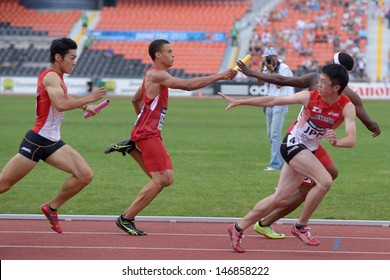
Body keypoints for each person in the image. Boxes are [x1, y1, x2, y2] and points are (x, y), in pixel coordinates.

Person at [235, 52, 380, 240]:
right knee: (319, 181)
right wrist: (374, 127)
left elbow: (284, 80)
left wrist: (255, 74)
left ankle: (268, 219)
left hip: (313, 143)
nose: (322, 80)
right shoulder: (322, 85)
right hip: (297, 140)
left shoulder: (346, 98)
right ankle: (282, 221)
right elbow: (369, 122)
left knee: (328, 176)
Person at [104, 39, 236, 236]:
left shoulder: (151, 74)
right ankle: (126, 218)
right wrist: (221, 76)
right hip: (147, 133)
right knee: (159, 180)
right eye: (169, 51)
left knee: (167, 179)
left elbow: (135, 99)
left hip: (147, 131)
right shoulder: (157, 75)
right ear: (158, 55)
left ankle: (130, 149)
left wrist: (141, 119)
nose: (173, 55)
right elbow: (189, 85)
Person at [220, 63, 356, 253]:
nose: (318, 85)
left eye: (323, 83)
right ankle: (300, 227)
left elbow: (351, 139)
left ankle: (237, 228)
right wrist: (240, 101)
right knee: (324, 181)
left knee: (279, 198)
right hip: (292, 144)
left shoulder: (346, 107)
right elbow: (274, 100)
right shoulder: (309, 98)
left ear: (336, 88)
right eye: (319, 80)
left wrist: (337, 142)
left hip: (307, 149)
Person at [0, 37, 106, 233]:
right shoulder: (50, 77)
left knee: (84, 175)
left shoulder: (58, 78)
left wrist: (85, 105)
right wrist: (89, 97)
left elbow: (63, 98)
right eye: (72, 57)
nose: (74, 62)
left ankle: (51, 207)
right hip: (37, 141)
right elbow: (60, 104)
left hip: (53, 142)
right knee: (3, 184)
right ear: (58, 57)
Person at [260, 47, 294, 171]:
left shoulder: (284, 68)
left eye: (271, 57)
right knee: (270, 135)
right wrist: (262, 67)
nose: (270, 59)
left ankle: (275, 164)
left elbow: (280, 85)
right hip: (269, 101)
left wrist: (271, 72)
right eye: (267, 58)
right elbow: (259, 80)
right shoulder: (266, 67)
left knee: (275, 134)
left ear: (276, 57)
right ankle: (281, 161)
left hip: (281, 101)